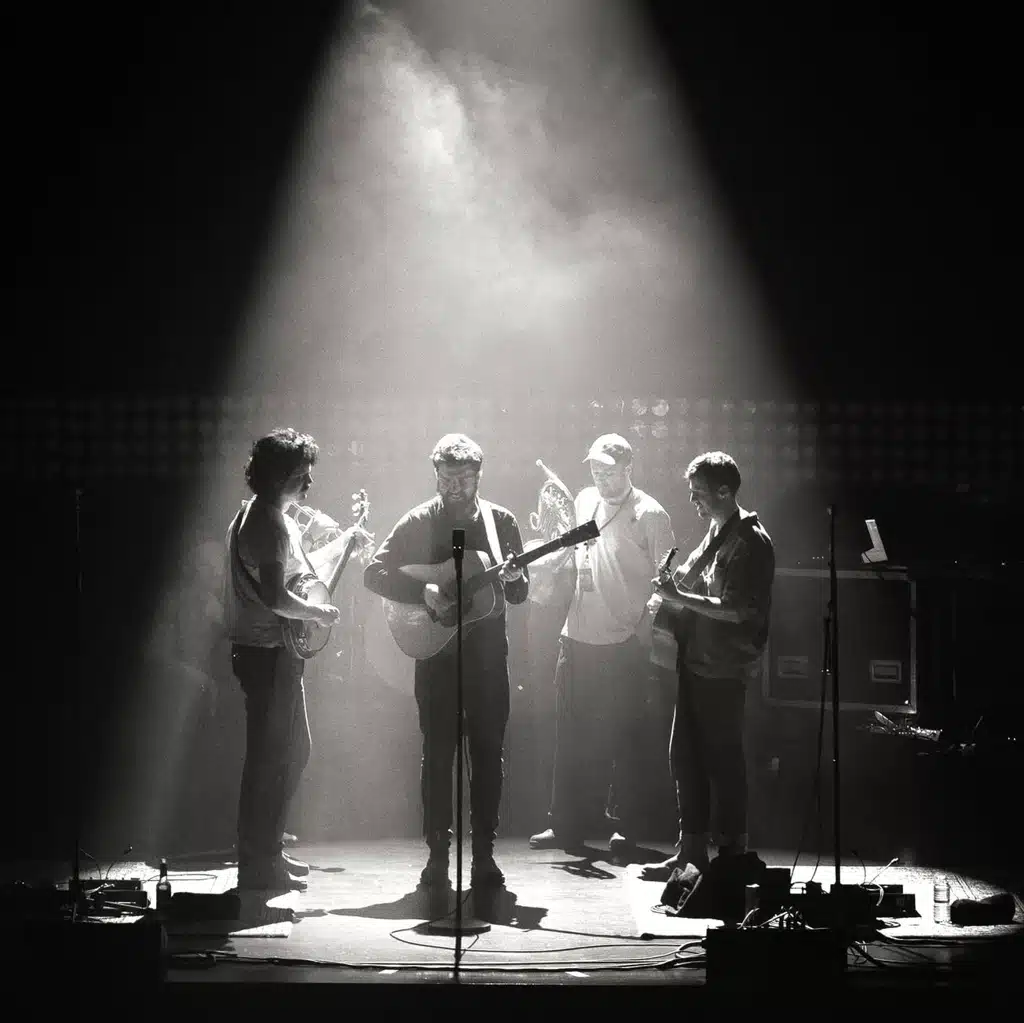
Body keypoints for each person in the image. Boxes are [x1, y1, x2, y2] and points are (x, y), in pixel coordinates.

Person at [363, 433, 529, 889]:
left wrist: (515, 577)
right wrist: (424, 590)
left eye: (463, 480)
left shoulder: (501, 522)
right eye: (445, 479)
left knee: (488, 754)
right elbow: (373, 573)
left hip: (487, 658)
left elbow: (518, 594)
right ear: (435, 474)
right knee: (437, 755)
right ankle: (437, 855)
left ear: (479, 476)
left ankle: (484, 856)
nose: (454, 488)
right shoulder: (418, 520)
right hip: (436, 657)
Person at [224, 427, 373, 890]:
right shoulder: (268, 523)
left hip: (274, 653)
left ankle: (268, 848)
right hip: (267, 655)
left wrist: (344, 542)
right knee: (272, 758)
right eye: (301, 476)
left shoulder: (268, 514)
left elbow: (297, 572)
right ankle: (258, 861)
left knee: (291, 751)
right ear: (277, 477)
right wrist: (318, 612)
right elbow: (275, 596)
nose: (309, 483)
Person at [529, 434, 675, 856]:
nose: (600, 477)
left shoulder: (650, 514)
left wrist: (642, 626)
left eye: (608, 471)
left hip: (623, 642)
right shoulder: (584, 500)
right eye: (595, 469)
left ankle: (626, 828)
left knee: (625, 738)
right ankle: (565, 824)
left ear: (629, 468)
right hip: (575, 637)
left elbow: (668, 579)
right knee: (570, 735)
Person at [640, 451, 775, 886]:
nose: (693, 500)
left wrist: (679, 598)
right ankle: (690, 853)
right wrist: (669, 592)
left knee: (723, 761)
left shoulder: (750, 541)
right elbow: (693, 581)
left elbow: (737, 610)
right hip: (696, 662)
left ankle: (732, 853)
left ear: (725, 490)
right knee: (685, 758)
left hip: (724, 669)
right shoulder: (717, 530)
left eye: (699, 492)